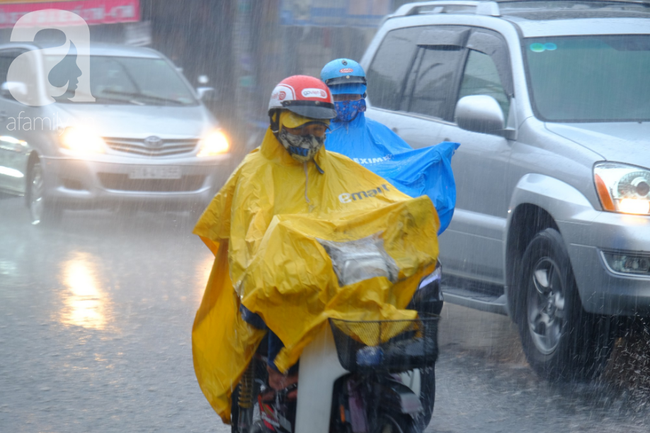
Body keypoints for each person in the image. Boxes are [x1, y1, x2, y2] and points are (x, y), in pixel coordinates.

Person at [192, 75, 440, 426]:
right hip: (289, 288)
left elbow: (379, 200)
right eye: (300, 124)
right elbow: (249, 242)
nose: (309, 134)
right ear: (276, 122)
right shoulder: (254, 173)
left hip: (335, 280)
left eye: (318, 126)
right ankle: (276, 385)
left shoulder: (338, 167)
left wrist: (411, 220)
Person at [321, 58, 460, 234]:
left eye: (353, 96)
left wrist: (435, 155)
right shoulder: (315, 134)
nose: (347, 102)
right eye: (340, 97)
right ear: (325, 96)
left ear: (362, 95)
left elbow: (406, 163)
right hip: (330, 225)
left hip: (379, 229)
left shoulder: (378, 132)